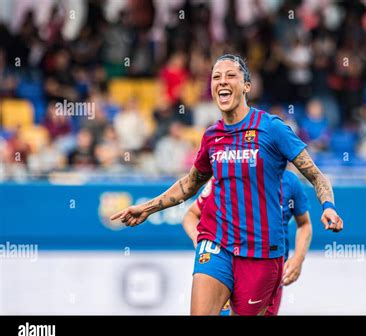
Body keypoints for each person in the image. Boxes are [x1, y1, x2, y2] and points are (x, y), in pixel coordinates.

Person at [110, 54, 343, 315]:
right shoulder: (211, 136)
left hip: (262, 253)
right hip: (217, 242)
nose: (222, 81)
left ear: (246, 86)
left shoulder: (271, 128)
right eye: (216, 77)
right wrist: (147, 207)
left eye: (231, 75)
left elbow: (316, 175)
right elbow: (189, 185)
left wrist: (328, 206)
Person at [182, 170, 313, 315]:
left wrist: (298, 258)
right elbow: (192, 214)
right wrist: (201, 239)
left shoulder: (290, 181)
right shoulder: (227, 174)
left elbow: (304, 224)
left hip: (267, 273)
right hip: (228, 268)